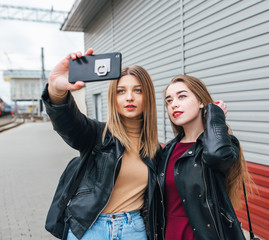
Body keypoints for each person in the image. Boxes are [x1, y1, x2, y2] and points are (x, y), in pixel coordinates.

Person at [42, 48, 161, 240]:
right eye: (121, 91)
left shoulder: (156, 150)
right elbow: (68, 122)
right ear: (113, 98)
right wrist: (56, 89)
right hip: (90, 229)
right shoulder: (97, 135)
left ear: (148, 97)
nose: (129, 97)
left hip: (135, 230)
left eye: (137, 90)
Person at [156, 75, 253, 240]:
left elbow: (216, 156)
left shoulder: (224, 144)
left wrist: (214, 117)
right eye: (169, 101)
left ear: (201, 102)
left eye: (182, 96)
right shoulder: (168, 150)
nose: (174, 104)